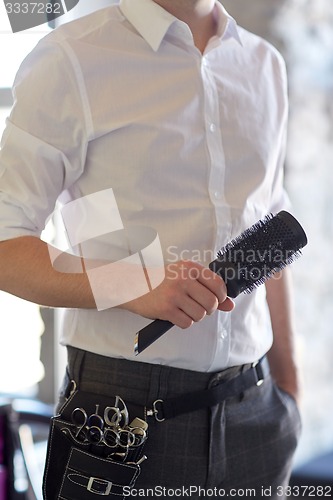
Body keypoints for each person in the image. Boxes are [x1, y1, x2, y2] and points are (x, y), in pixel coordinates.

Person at [0, 0, 301, 498]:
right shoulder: (69, 58)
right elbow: (6, 245)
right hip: (119, 416)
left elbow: (268, 236)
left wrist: (288, 390)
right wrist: (133, 283)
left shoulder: (264, 64)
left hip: (258, 415)